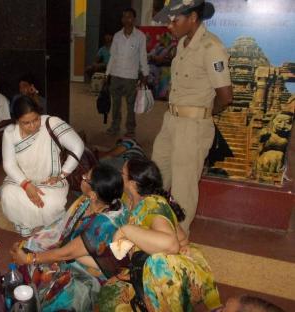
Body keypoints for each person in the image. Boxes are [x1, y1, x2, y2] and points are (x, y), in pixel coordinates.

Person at [95, 157, 221, 311]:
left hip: (171, 270)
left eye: (122, 173)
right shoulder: (128, 201)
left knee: (156, 264)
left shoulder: (152, 203)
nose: (119, 176)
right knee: (108, 296)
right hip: (143, 264)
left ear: (133, 184)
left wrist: (125, 230)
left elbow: (171, 244)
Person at [152, 0, 233, 233]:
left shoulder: (211, 48)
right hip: (171, 121)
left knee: (183, 187)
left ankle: (178, 239)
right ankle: (153, 225)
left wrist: (202, 114)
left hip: (192, 126)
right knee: (156, 174)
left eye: (175, 20)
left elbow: (226, 96)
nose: (169, 26)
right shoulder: (183, 44)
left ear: (193, 18)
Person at [10, 164, 126, 311]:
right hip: (72, 252)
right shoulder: (94, 201)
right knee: (29, 244)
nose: (82, 177)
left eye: (86, 178)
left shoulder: (102, 225)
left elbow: (67, 253)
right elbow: (65, 226)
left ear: (94, 195)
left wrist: (29, 258)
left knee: (43, 272)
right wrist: (39, 236)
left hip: (87, 271)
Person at [1, 95, 84, 236]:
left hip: (50, 181)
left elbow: (78, 146)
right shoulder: (10, 133)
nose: (33, 125)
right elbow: (9, 164)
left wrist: (62, 174)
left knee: (50, 203)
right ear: (17, 121)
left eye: (36, 119)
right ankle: (24, 223)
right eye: (26, 123)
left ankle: (44, 227)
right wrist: (26, 185)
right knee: (8, 194)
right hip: (22, 179)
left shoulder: (52, 123)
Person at [105, 7, 149, 137]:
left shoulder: (140, 36)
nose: (126, 19)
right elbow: (112, 56)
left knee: (131, 105)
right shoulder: (117, 36)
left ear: (134, 19)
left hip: (130, 77)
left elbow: (143, 56)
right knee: (116, 104)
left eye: (129, 17)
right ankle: (115, 126)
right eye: (124, 17)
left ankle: (130, 129)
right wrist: (107, 74)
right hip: (116, 75)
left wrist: (145, 74)